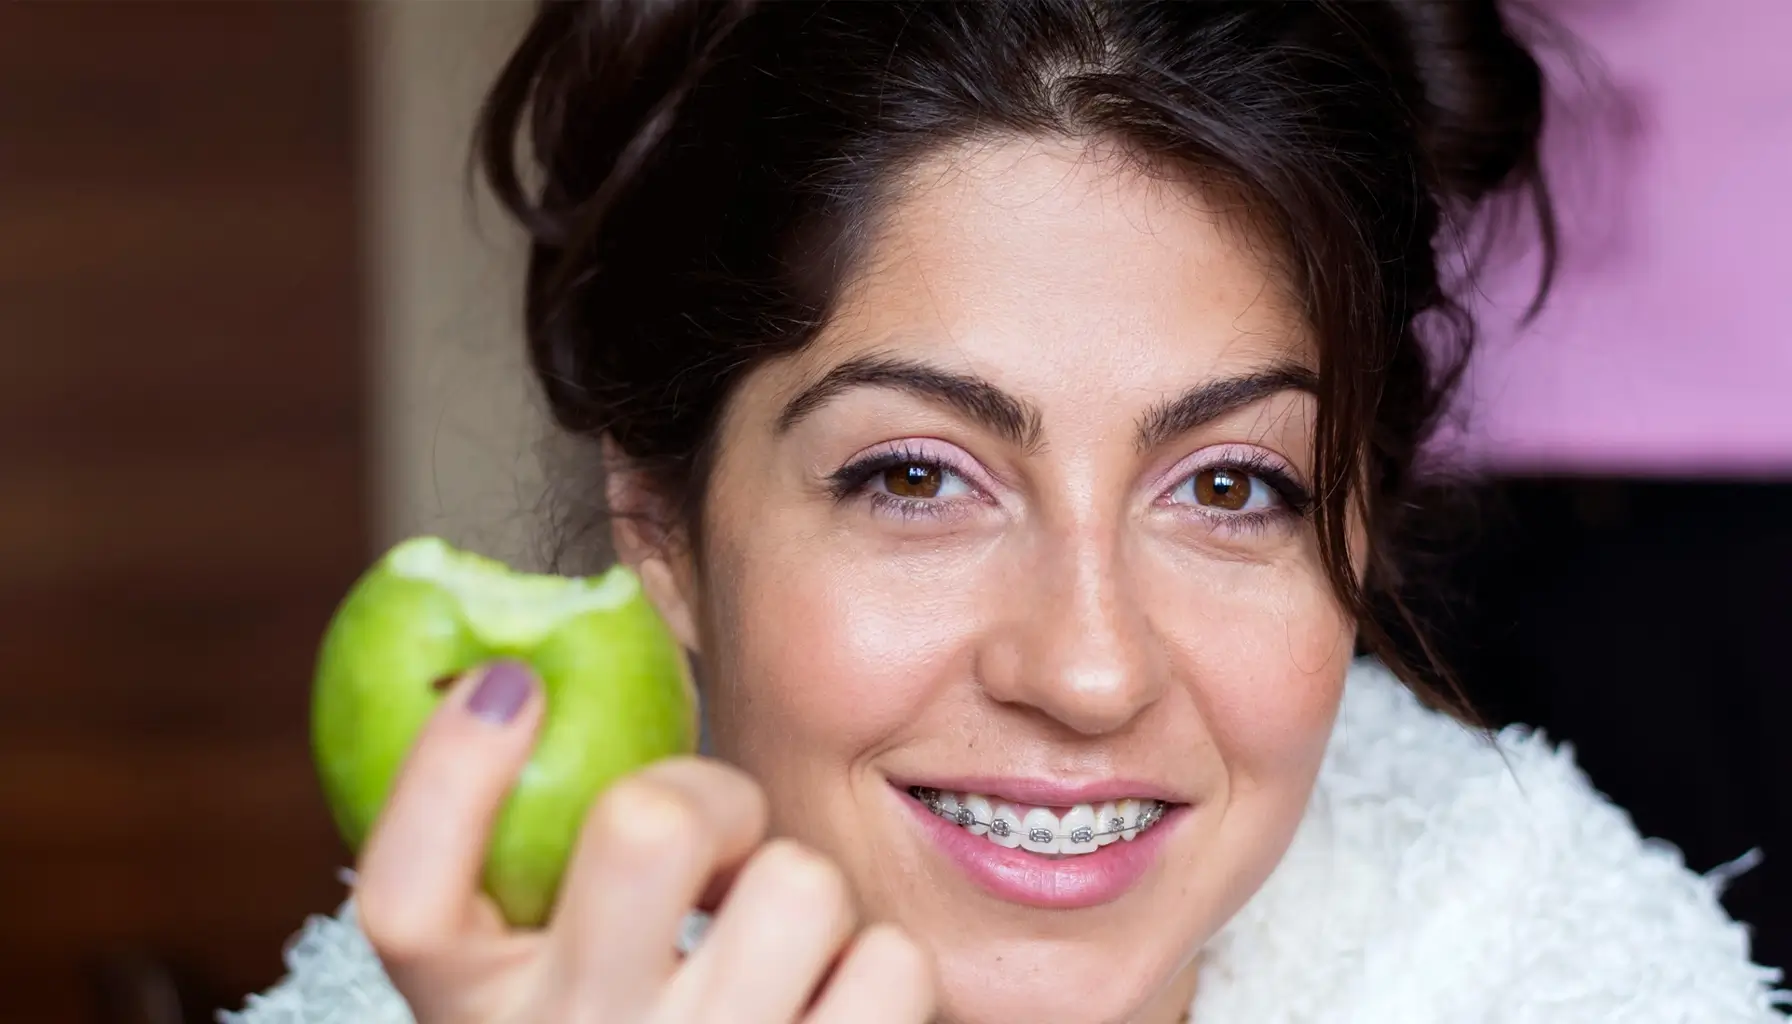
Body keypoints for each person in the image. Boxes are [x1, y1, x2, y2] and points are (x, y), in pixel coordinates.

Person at [222, 2, 1789, 1021]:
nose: (1090, 669)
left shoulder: (1575, 979)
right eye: (916, 478)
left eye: (1233, 487)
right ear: (661, 531)